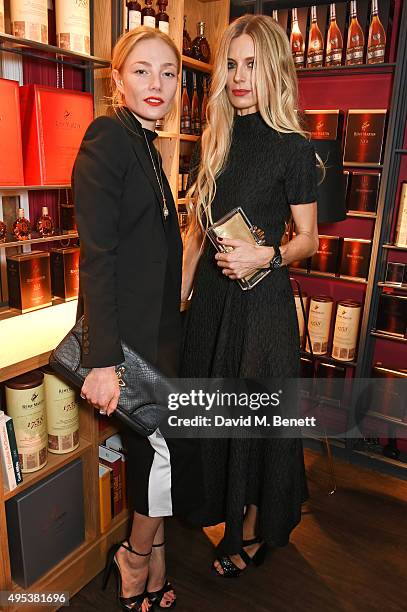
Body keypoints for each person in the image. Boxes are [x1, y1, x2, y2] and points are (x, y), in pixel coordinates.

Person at [181, 14, 320, 577]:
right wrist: (182, 292)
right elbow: (195, 228)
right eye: (232, 64)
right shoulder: (212, 138)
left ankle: (257, 530)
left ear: (274, 70)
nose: (239, 76)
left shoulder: (293, 146)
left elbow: (309, 239)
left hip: (261, 304)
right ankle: (218, 511)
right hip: (213, 301)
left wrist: (265, 254)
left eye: (252, 64)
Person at [73, 27, 200, 611]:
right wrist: (101, 362)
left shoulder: (147, 145)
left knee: (157, 452)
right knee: (160, 450)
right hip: (124, 345)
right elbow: (97, 254)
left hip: (155, 337)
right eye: (143, 71)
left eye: (168, 73)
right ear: (118, 79)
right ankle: (136, 558)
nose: (157, 84)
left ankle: (149, 556)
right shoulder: (108, 137)